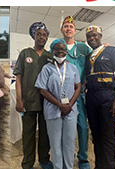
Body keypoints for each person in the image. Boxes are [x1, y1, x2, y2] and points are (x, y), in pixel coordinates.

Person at [49, 16, 91, 169]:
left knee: (82, 127)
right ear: (62, 30)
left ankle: (83, 157)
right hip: (60, 94)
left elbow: (94, 58)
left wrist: (105, 47)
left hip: (78, 93)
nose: (68, 29)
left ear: (74, 30)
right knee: (62, 127)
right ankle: (67, 154)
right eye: (65, 26)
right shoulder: (56, 45)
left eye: (71, 27)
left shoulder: (83, 48)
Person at [35, 41, 81, 169]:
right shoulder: (47, 68)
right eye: (57, 49)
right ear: (53, 51)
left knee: (69, 142)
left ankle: (68, 167)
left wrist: (69, 105)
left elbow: (78, 87)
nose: (60, 51)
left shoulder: (73, 68)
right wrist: (60, 106)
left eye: (63, 49)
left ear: (67, 52)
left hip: (70, 110)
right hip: (53, 110)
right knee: (55, 143)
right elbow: (42, 90)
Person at [84, 26, 115, 169]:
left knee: (108, 136)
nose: (92, 38)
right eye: (89, 36)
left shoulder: (111, 50)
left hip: (108, 96)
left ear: (100, 36)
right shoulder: (88, 56)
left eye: (94, 35)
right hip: (92, 97)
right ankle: (99, 165)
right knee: (96, 135)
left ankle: (109, 166)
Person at [14, 22, 53, 169]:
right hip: (28, 102)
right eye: (39, 34)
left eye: (44, 35)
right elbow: (18, 77)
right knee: (28, 135)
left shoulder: (50, 56)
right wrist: (19, 100)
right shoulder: (25, 53)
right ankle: (27, 163)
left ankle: (44, 160)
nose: (42, 37)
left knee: (45, 134)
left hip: (47, 103)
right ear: (34, 36)